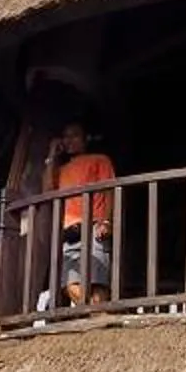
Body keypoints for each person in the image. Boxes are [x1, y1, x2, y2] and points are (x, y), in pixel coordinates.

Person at [47, 119, 116, 307]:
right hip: (70, 230)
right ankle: (97, 314)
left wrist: (107, 221)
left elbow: (109, 191)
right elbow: (47, 189)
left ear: (85, 139)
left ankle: (97, 315)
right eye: (66, 137)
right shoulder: (60, 170)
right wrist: (52, 154)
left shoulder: (99, 160)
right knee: (69, 283)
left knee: (98, 279)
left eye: (75, 135)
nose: (69, 140)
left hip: (94, 224)